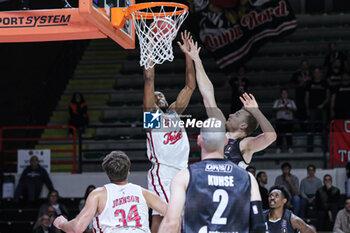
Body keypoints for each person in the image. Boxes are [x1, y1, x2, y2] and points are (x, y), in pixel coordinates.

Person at [179, 39, 276, 169]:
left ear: (243, 125)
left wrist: (256, 111)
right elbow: (208, 96)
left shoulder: (245, 145)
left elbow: (271, 137)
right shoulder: (220, 128)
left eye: (237, 115)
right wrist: (197, 60)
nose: (230, 115)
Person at [158, 118, 265, 233]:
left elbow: (171, 224)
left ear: (199, 141)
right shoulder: (248, 178)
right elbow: (258, 225)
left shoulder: (185, 176)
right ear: (225, 141)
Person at [143, 30, 195, 233]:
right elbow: (149, 79)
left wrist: (188, 55)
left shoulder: (173, 113)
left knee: (160, 218)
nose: (159, 97)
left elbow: (190, 87)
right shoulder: (152, 118)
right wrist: (150, 47)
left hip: (182, 170)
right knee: (170, 216)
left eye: (162, 95)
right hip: (163, 171)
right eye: (156, 96)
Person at [53, 151, 167, 233]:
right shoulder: (143, 193)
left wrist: (62, 223)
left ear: (107, 173)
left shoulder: (98, 195)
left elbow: (77, 228)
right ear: (128, 171)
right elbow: (174, 213)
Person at [305, 68, 329, 152]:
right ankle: (310, 148)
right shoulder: (309, 83)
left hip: (323, 109)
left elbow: (328, 96)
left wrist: (322, 105)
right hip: (312, 109)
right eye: (315, 72)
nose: (317, 74)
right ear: (313, 74)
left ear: (321, 74)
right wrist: (307, 108)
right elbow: (307, 97)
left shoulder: (324, 83)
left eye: (318, 72)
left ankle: (325, 148)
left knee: (324, 128)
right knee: (311, 128)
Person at [272, 88, 297, 154]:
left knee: (289, 134)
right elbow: (274, 109)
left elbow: (295, 109)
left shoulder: (291, 101)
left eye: (285, 93)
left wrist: (289, 108)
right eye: (283, 93)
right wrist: (280, 108)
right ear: (281, 94)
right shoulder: (277, 101)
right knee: (280, 135)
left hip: (289, 119)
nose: (284, 94)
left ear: (287, 94)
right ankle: (278, 148)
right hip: (280, 120)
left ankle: (290, 148)